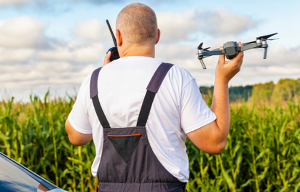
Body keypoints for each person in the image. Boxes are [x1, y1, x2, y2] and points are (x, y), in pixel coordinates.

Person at [65, 3, 244, 192]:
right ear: (157, 35)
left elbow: (76, 136)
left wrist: (104, 75)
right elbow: (215, 143)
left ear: (118, 36)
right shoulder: (176, 77)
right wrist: (222, 80)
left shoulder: (93, 80)